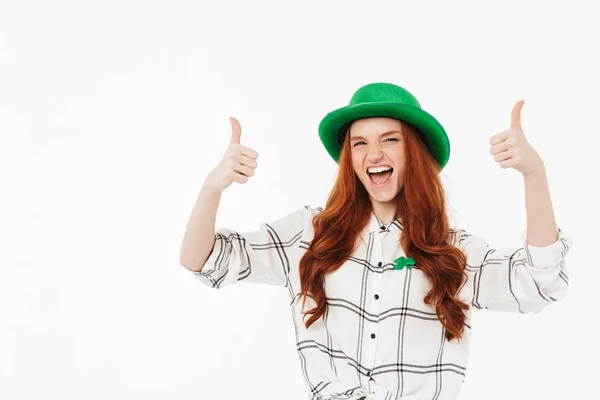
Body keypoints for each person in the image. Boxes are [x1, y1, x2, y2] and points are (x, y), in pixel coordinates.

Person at [179, 82, 572, 400]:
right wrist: (213, 186)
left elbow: (540, 284)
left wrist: (534, 175)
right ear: (349, 157)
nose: (374, 154)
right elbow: (202, 259)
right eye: (359, 143)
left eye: (390, 140)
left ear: (414, 152)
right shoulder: (309, 235)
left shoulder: (453, 252)